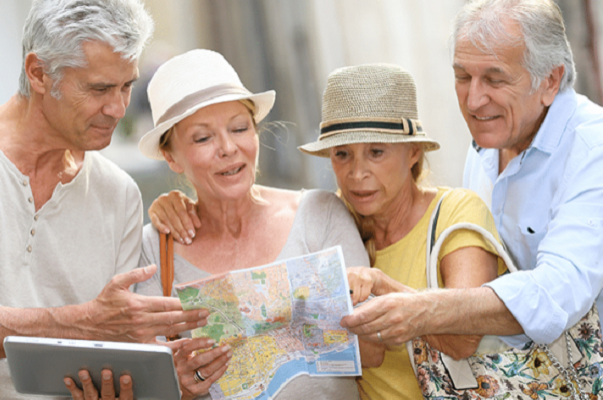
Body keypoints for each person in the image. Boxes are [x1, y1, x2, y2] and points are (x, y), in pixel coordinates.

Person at [0, 1, 208, 399]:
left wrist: (155, 375)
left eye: (126, 86)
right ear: (38, 73)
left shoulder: (119, 195)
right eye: (99, 88)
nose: (117, 108)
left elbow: (111, 353)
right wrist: (82, 323)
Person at [148, 62, 508, 399]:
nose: (357, 173)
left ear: (413, 152)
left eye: (377, 152)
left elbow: (463, 339)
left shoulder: (456, 212)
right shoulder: (338, 213)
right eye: (342, 155)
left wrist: (381, 284)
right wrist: (169, 203)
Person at [341, 0, 603, 370]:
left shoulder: (593, 150)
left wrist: (421, 308)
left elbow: (554, 295)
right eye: (463, 76)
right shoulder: (487, 144)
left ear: (550, 80)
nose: (474, 100)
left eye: (495, 79)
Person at [134, 48, 372, 400]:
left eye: (240, 128)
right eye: (203, 137)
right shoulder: (154, 247)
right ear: (171, 156)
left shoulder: (320, 213)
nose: (228, 147)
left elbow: (376, 350)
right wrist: (178, 384)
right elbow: (149, 386)